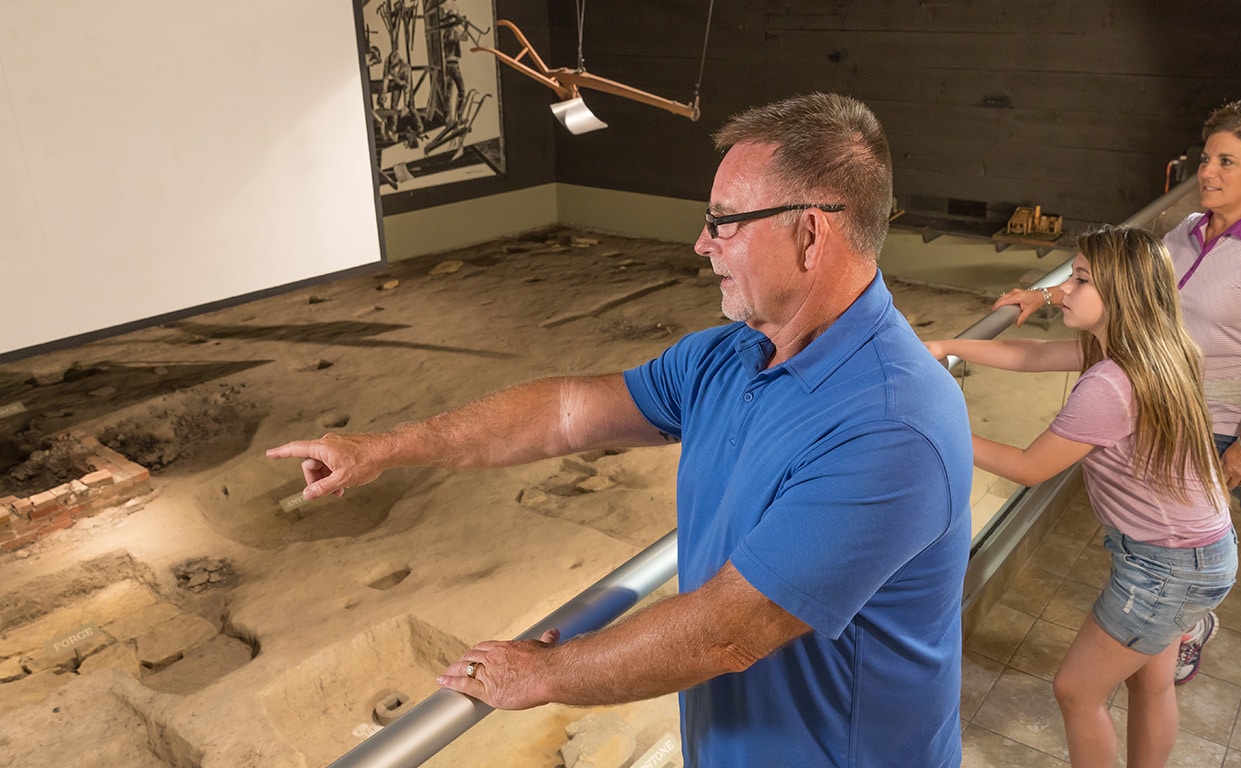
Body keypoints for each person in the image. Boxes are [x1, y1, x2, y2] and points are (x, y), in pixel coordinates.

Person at [267, 93, 974, 767]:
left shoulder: (893, 426)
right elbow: (568, 411)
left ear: (810, 233)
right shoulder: (730, 355)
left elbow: (729, 631)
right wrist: (387, 448)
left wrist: (547, 672)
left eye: (723, 220)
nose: (701, 243)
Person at [993, 96, 1241, 684]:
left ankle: (1185, 627)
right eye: (1208, 157)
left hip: (1216, 417)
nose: (1208, 172)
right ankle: (1167, 629)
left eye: (1228, 163)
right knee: (1147, 526)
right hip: (1157, 397)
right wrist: (1044, 295)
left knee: (1181, 539)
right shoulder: (1188, 229)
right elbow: (1125, 283)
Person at [927, 226, 1237, 768]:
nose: (1065, 289)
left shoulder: (1111, 384)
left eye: (1081, 279)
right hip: (1201, 548)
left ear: (1123, 292)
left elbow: (1028, 468)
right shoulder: (1159, 347)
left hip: (1166, 566)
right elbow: (1032, 356)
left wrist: (938, 423)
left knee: (1077, 690)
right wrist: (949, 345)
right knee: (1152, 682)